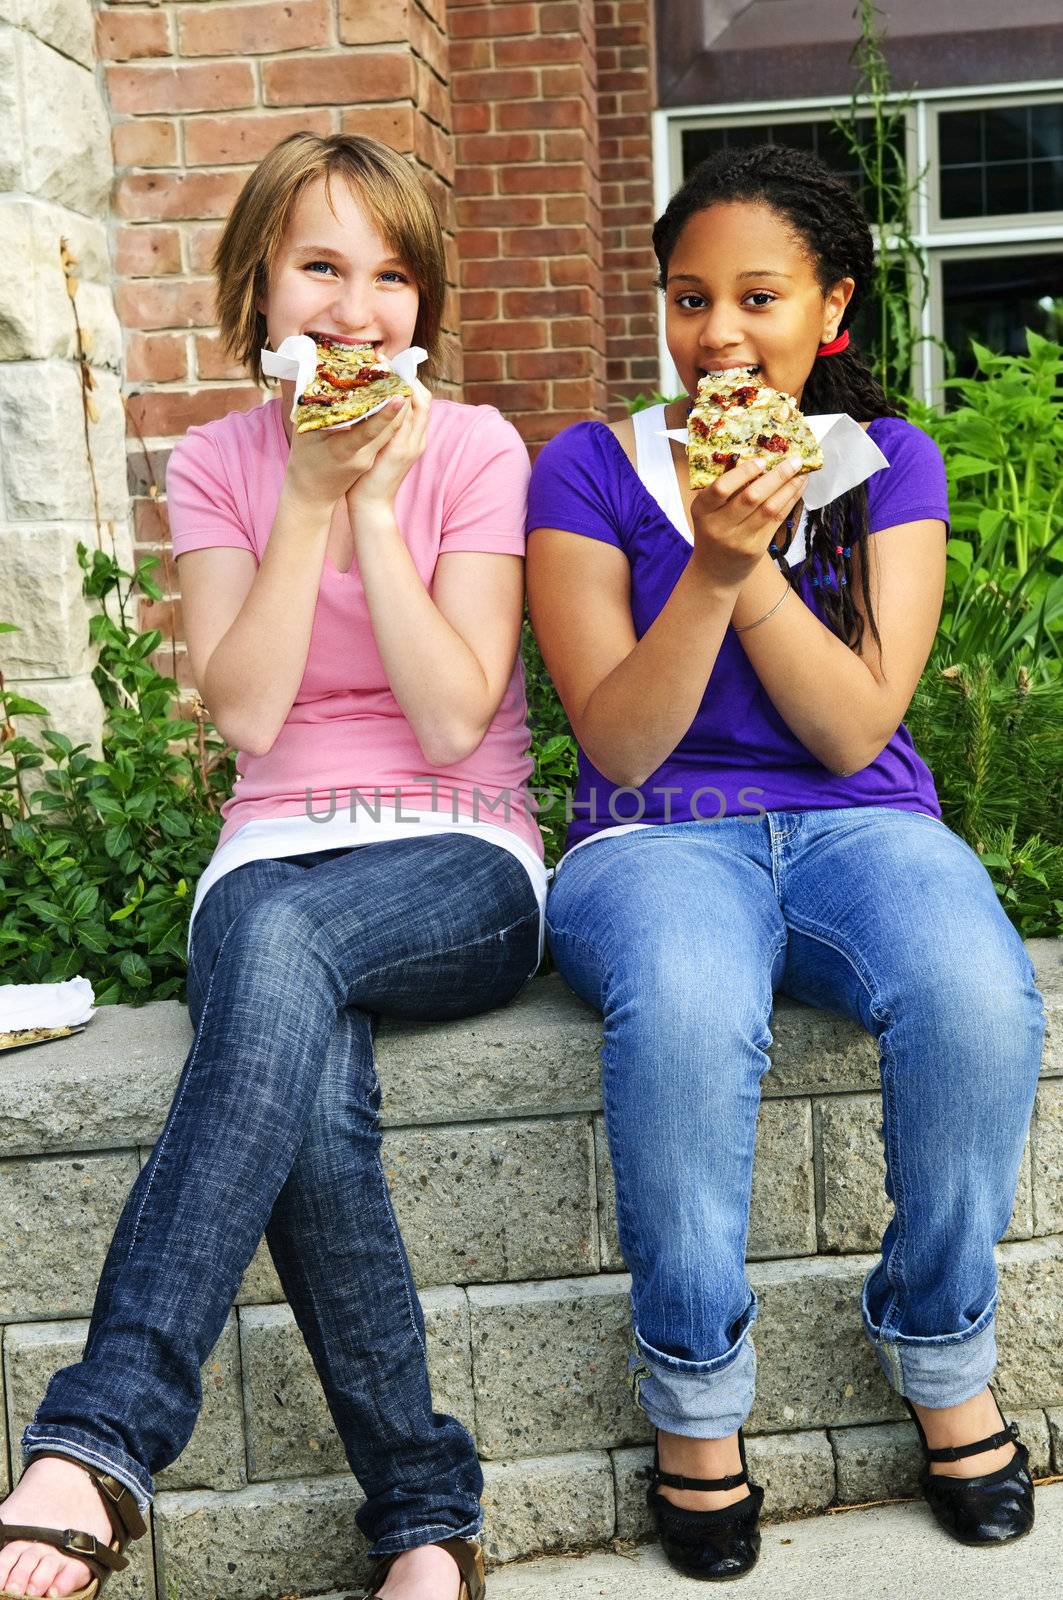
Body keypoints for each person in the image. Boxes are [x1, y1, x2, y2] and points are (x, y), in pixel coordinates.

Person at [0, 132, 546, 1600]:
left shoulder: (480, 448)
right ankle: (428, 1524)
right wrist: (305, 493)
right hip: (272, 853)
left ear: (423, 304)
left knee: (283, 953)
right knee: (306, 1082)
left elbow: (451, 716)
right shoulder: (220, 466)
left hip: (462, 857)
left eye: (389, 274)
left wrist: (372, 497)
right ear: (259, 287)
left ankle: (98, 1440)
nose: (355, 308)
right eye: (321, 266)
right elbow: (244, 714)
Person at [525, 144, 1045, 1581]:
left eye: (759, 297)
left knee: (975, 996)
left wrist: (754, 552)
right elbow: (621, 746)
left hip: (864, 821)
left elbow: (854, 722)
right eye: (690, 300)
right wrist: (704, 555)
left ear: (832, 313)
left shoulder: (893, 466)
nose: (718, 336)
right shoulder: (590, 467)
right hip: (656, 841)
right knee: (688, 1015)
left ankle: (942, 1360)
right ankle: (696, 1412)